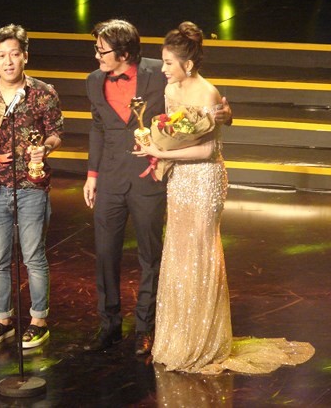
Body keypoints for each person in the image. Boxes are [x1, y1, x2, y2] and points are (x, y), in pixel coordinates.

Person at [134, 21, 314, 373]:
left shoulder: (208, 94)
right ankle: (179, 339)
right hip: (180, 180)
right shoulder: (171, 91)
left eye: (169, 62)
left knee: (201, 254)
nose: (164, 68)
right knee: (179, 254)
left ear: (187, 64)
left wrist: (161, 152)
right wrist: (155, 145)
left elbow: (205, 151)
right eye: (163, 61)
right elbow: (175, 133)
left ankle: (205, 342)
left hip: (204, 181)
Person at [83, 19, 233, 355]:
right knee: (105, 254)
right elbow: (97, 129)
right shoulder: (94, 81)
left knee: (151, 256)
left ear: (123, 52)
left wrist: (225, 114)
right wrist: (92, 175)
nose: (97, 56)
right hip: (109, 179)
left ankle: (145, 328)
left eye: (102, 50)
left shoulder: (160, 73)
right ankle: (109, 325)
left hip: (149, 178)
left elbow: (197, 113)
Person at [0, 24, 63, 349]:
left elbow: (56, 132)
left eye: (14, 54)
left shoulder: (43, 92)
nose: (8, 61)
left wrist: (43, 148)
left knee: (33, 256)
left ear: (25, 56)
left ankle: (38, 321)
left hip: (32, 185)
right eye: (1, 55)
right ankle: (3, 319)